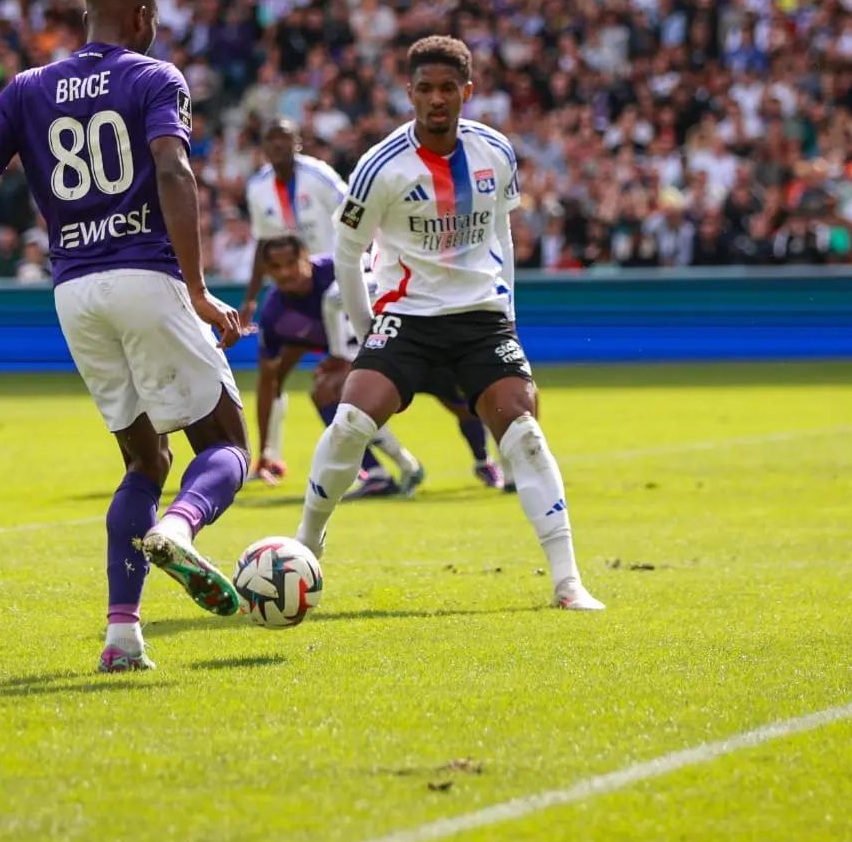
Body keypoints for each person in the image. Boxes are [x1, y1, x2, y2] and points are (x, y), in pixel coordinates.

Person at [0, 0, 252, 672]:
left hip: (73, 291)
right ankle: (180, 528)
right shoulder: (155, 77)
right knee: (230, 445)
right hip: (145, 274)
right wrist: (201, 290)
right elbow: (174, 172)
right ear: (142, 18)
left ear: (89, 17)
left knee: (145, 459)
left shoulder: (28, 87)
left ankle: (122, 637)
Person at [295, 36, 603, 610]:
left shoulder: (495, 152)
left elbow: (503, 231)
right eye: (425, 89)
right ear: (409, 93)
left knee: (526, 437)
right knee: (349, 423)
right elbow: (346, 253)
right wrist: (368, 332)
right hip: (406, 321)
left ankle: (567, 581)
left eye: (447, 89)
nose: (437, 100)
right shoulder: (378, 167)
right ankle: (303, 552)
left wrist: (506, 310)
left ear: (467, 91)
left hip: (480, 321)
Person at [257, 235, 504, 493]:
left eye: (291, 263)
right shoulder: (276, 314)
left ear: (306, 258)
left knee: (462, 404)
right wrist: (264, 450)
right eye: (276, 267)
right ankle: (380, 473)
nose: (285, 272)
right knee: (328, 392)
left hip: (418, 342)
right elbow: (270, 379)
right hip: (375, 360)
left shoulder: (346, 268)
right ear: (266, 271)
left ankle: (483, 461)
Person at [242, 118, 356, 483]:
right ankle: (267, 457)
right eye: (270, 140)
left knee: (360, 373)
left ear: (297, 143)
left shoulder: (320, 176)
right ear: (262, 147)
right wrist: (250, 298)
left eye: (284, 139)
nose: (277, 146)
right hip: (291, 292)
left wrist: (363, 267)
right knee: (271, 374)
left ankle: (372, 461)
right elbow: (263, 245)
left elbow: (356, 212)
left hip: (335, 287)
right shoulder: (257, 187)